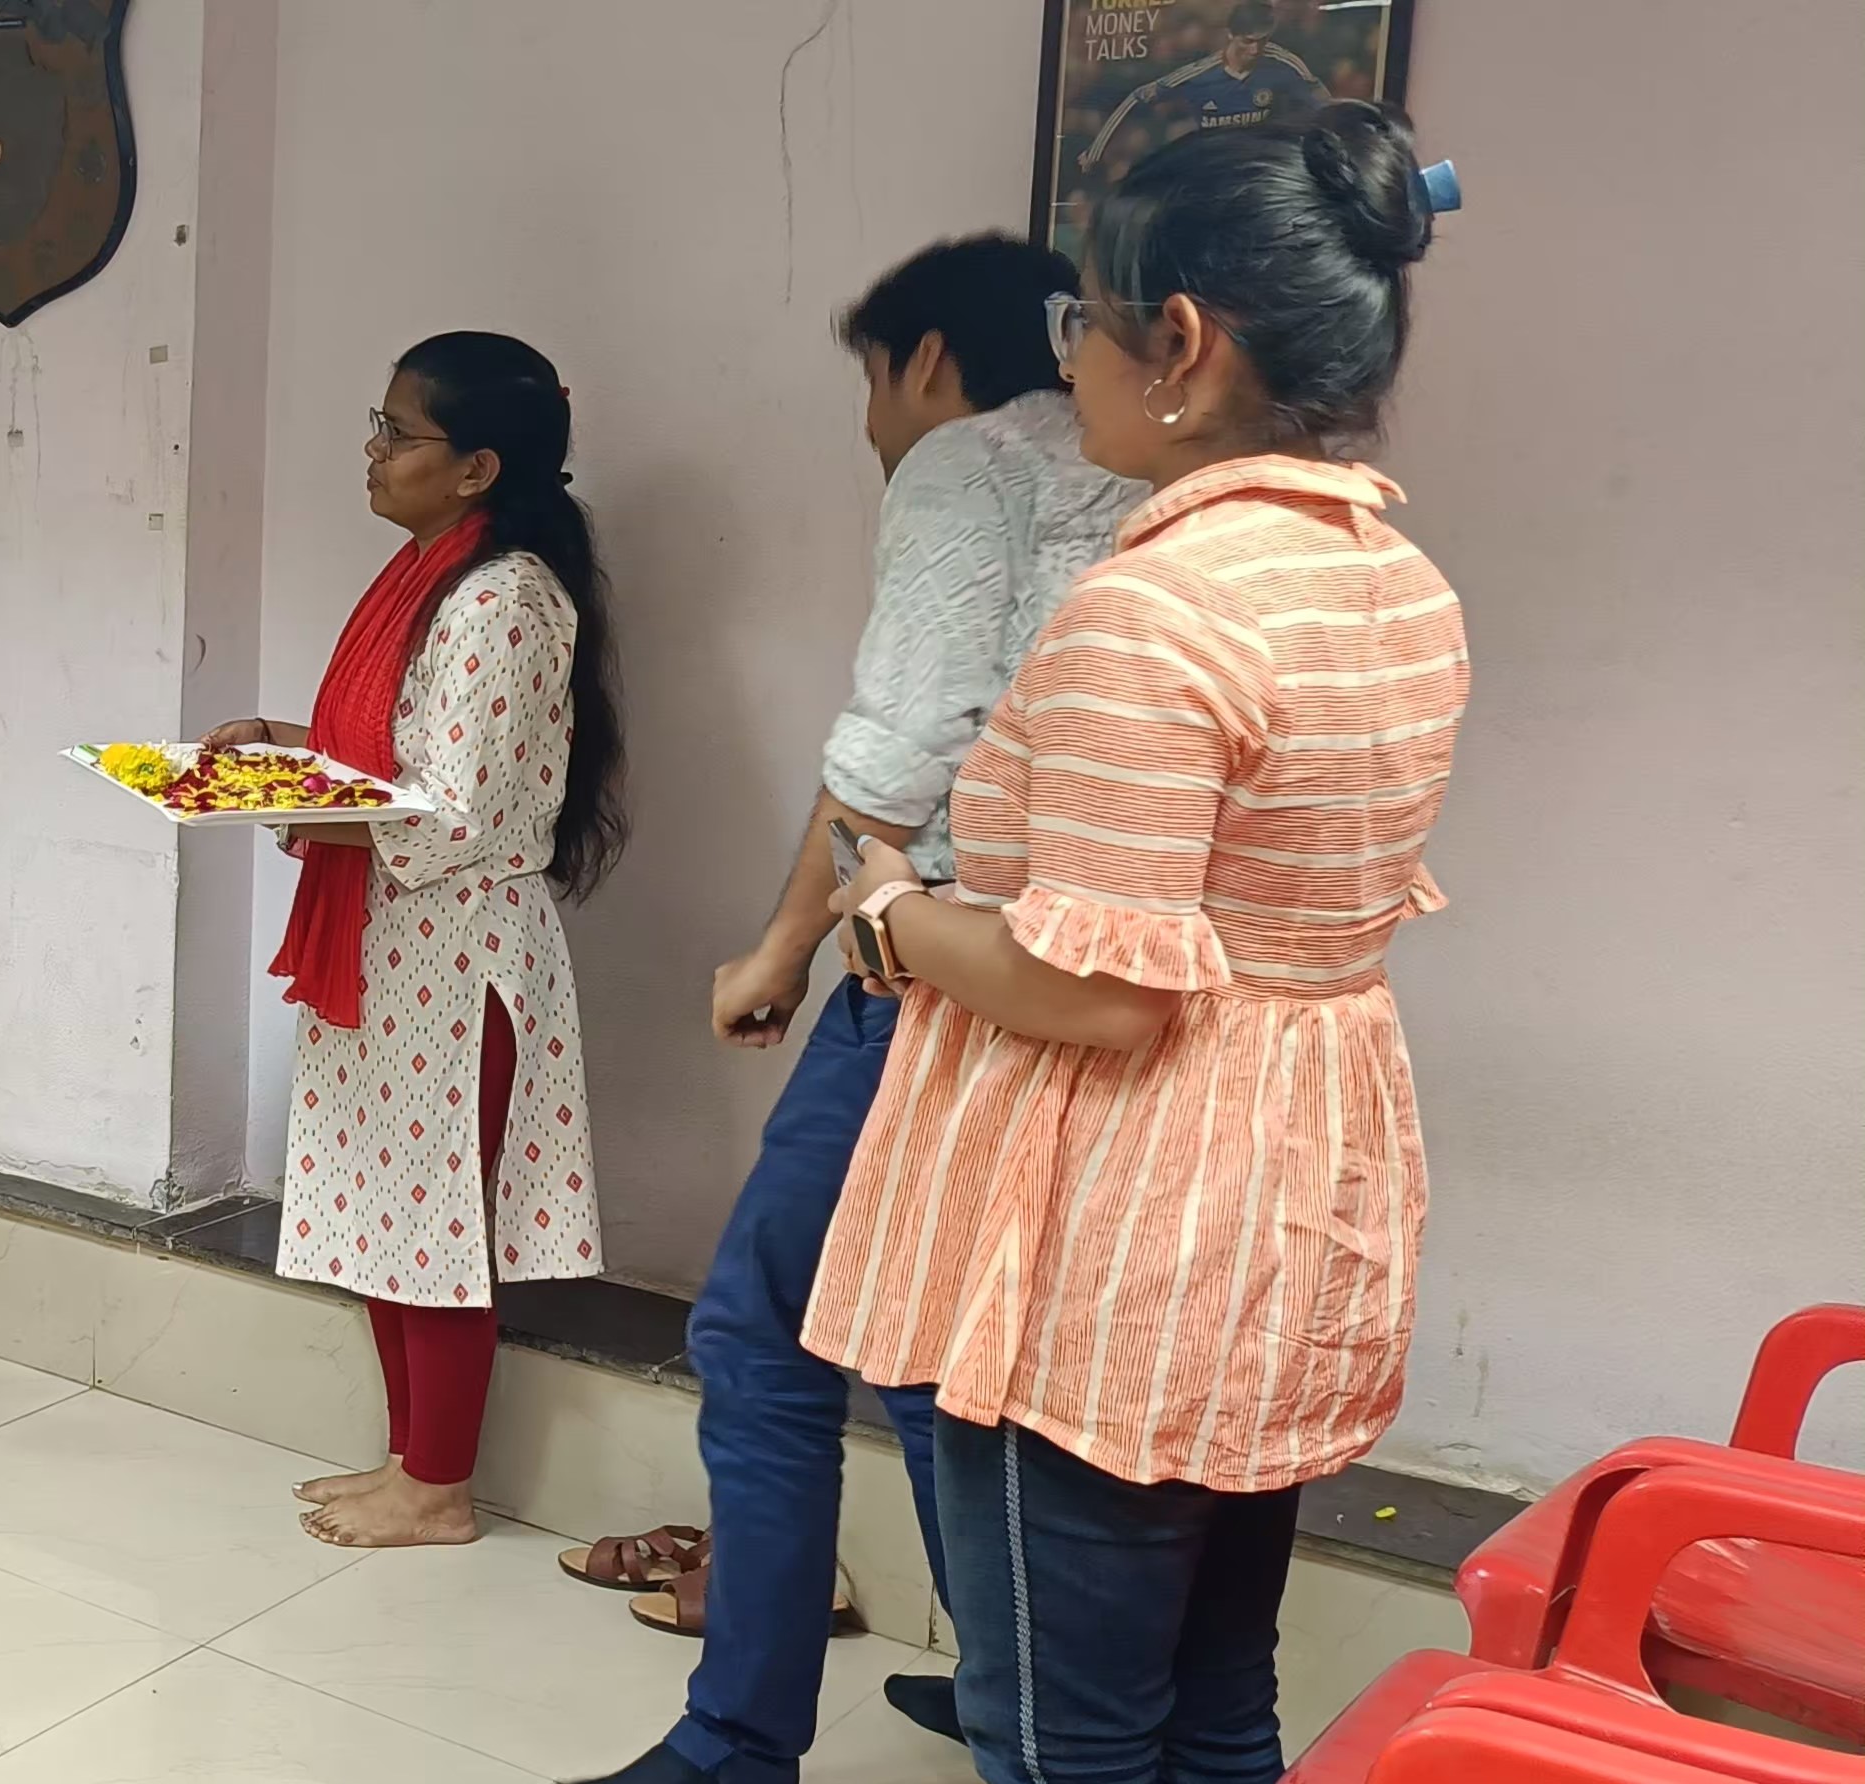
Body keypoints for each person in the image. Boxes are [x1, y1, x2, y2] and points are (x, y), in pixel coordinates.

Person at [804, 102, 1465, 1784]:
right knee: (1219, 1702)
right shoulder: (1392, 580)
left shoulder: (1155, 611)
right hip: (1282, 1198)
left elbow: (1097, 995)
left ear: (1178, 342)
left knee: (1061, 1735)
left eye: (1080, 325)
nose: (1067, 366)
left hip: (1113, 1234)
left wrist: (892, 910)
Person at [578, 237, 1143, 1784]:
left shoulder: (968, 462)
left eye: (873, 382)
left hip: (932, 973)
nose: (875, 420)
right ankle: (1011, 1689)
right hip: (1082, 975)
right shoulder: (1146, 475)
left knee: (759, 1330)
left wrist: (780, 949)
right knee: (927, 1345)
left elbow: (894, 763)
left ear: (928, 363)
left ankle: (735, 1740)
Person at [208, 332, 626, 1550]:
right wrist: (288, 745)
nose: (374, 451)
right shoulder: (435, 578)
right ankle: (408, 1461)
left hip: (455, 948)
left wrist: (280, 797)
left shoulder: (500, 598)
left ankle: (439, 1486)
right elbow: (405, 755)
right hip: (392, 939)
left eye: (398, 433)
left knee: (436, 1214)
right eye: (378, 424)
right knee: (384, 1201)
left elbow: (450, 814)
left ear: (475, 467)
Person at [1081, 1, 1336, 170]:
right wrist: (1095, 151)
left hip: (1263, 164)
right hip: (1212, 166)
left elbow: (1323, 99)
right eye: (1248, 41)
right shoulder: (1199, 73)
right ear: (1230, 35)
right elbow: (1137, 97)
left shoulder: (1283, 62)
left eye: (1262, 40)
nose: (1255, 49)